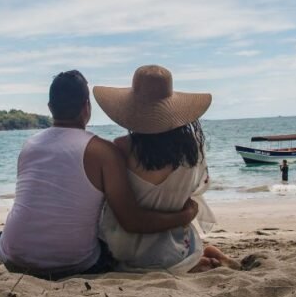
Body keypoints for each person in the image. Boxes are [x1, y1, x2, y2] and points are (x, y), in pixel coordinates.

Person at [0, 70, 199, 280]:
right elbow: (132, 220)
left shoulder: (28, 146)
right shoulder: (103, 152)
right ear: (87, 107)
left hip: (14, 259)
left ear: (50, 108)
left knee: (1, 236)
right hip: (74, 264)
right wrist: (185, 215)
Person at [94, 65, 237, 273]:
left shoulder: (122, 147)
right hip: (178, 243)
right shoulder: (193, 150)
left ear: (132, 109)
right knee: (177, 257)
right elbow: (196, 191)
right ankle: (199, 258)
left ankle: (201, 260)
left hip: (128, 249)